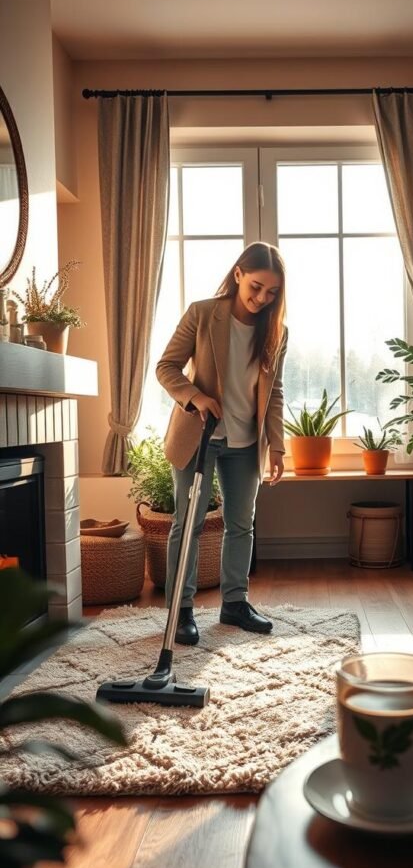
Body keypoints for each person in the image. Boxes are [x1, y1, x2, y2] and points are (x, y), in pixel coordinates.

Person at [156, 242, 287, 645]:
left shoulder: (276, 330)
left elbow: (275, 390)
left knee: (241, 525)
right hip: (200, 436)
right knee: (189, 523)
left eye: (272, 293)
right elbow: (166, 367)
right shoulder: (201, 313)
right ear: (238, 275)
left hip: (246, 442)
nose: (262, 298)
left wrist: (278, 446)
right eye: (256, 286)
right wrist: (195, 397)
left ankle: (235, 603)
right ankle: (181, 610)